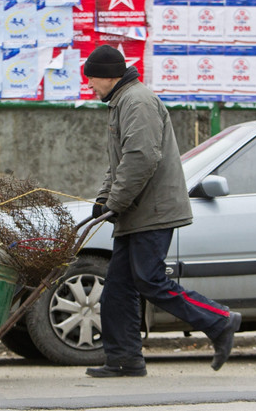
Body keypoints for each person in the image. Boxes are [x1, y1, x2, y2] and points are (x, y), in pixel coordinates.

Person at [83, 44, 241, 378]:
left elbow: (141, 158)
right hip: (136, 210)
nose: (90, 86)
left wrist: (117, 201)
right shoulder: (122, 101)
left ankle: (220, 320)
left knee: (149, 280)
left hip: (152, 210)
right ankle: (125, 359)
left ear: (107, 75)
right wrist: (104, 198)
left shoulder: (137, 101)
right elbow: (121, 162)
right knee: (117, 289)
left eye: (92, 79)